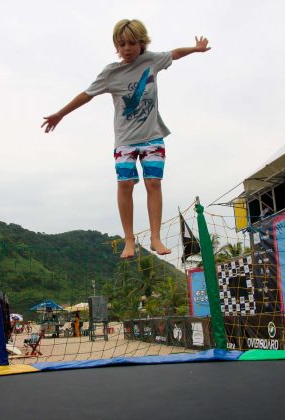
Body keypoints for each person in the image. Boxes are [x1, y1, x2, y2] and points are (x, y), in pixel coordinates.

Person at [42, 19, 210, 258]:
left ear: (142, 43)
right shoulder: (111, 72)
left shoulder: (151, 60)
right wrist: (60, 114)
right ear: (116, 46)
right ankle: (129, 241)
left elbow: (175, 53)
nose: (127, 49)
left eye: (132, 43)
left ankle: (155, 238)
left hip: (153, 137)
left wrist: (195, 49)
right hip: (125, 141)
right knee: (125, 184)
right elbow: (86, 95)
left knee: (153, 183)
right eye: (121, 44)